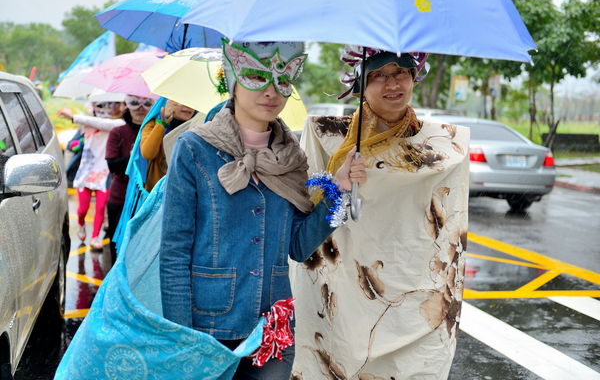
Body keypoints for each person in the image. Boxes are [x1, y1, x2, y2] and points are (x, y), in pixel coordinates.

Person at [160, 40, 366, 379]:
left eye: (282, 81)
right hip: (207, 326)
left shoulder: (292, 156)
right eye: (257, 76)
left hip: (273, 327)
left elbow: (298, 246)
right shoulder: (195, 149)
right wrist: (180, 337)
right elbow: (174, 252)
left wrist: (338, 190)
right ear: (232, 79)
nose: (271, 91)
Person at [289, 47, 470, 379]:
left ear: (414, 77)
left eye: (401, 73)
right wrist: (339, 185)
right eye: (380, 75)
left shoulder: (444, 146)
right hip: (344, 292)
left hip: (414, 294)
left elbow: (450, 222)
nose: (393, 84)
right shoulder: (328, 138)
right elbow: (305, 210)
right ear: (361, 85)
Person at [57, 103, 125, 249]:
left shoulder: (117, 126)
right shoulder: (86, 124)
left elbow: (103, 124)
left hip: (104, 175)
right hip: (85, 173)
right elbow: (71, 146)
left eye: (110, 106)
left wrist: (73, 117)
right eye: (101, 107)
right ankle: (81, 224)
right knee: (82, 210)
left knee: (100, 208)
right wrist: (81, 141)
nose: (106, 110)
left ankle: (95, 237)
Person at [105, 94, 154, 264]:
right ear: (127, 106)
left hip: (147, 199)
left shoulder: (157, 131)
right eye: (134, 103)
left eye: (146, 104)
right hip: (120, 198)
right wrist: (136, 155)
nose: (140, 109)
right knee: (117, 247)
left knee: (142, 251)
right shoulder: (117, 132)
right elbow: (112, 165)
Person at [140, 99, 196, 191]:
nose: (188, 106)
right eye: (182, 101)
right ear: (167, 102)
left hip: (186, 190)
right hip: (158, 192)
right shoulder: (153, 125)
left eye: (192, 101)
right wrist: (162, 124)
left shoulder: (199, 127)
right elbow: (148, 153)